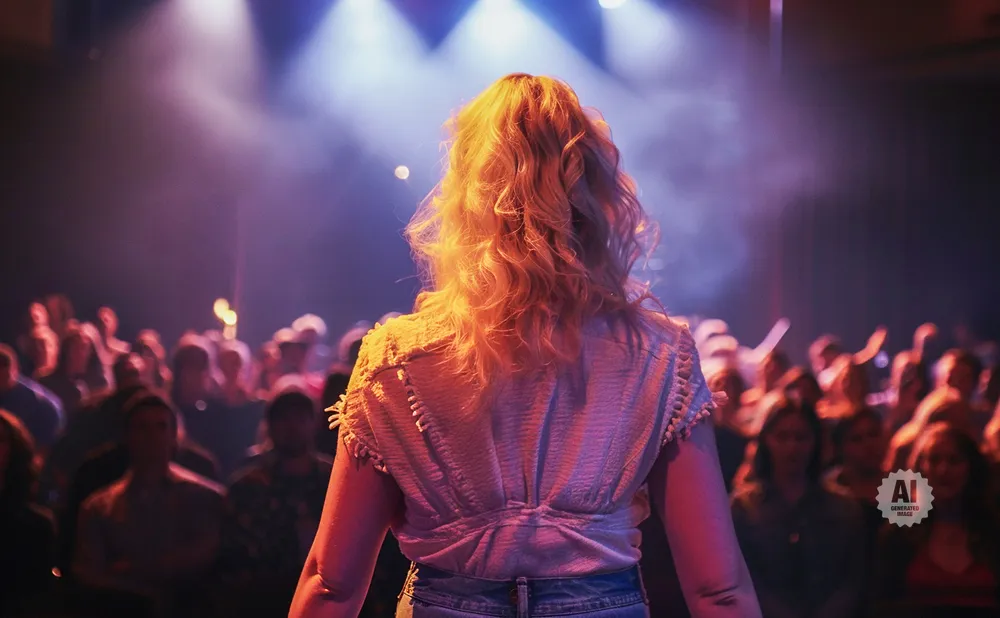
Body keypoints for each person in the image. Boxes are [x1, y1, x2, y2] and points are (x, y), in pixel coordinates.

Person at [290, 74, 760, 618]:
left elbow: (332, 584)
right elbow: (718, 589)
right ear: (593, 189)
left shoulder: (395, 360)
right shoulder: (659, 357)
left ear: (466, 193)